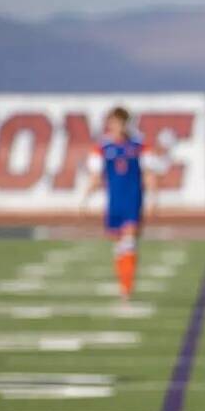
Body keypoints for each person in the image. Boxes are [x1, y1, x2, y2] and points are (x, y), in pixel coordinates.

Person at [80, 107, 161, 300]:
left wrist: (152, 199)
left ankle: (126, 287)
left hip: (133, 200)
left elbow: (149, 174)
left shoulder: (139, 146)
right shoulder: (102, 148)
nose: (117, 127)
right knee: (119, 246)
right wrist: (85, 199)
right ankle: (123, 283)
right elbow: (96, 177)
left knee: (129, 241)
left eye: (120, 122)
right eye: (113, 122)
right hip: (114, 202)